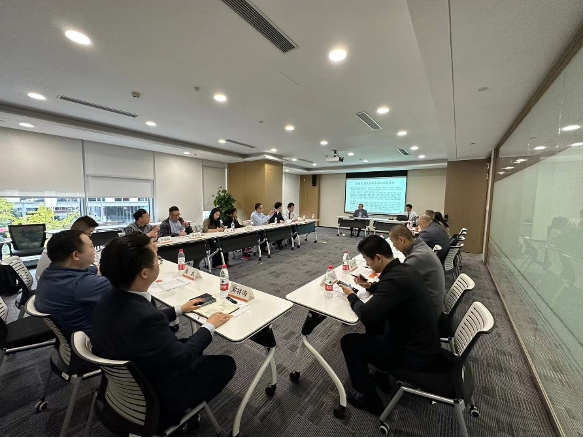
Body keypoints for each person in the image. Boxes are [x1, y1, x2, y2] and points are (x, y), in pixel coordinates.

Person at [91, 233, 236, 431]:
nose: (158, 261)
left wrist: (179, 309)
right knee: (226, 364)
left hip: (127, 380)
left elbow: (141, 319)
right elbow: (182, 357)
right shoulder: (145, 318)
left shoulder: (109, 296)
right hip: (157, 396)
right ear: (144, 273)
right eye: (156, 259)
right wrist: (209, 325)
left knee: (190, 343)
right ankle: (185, 412)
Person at [337, 235, 440, 415]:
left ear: (378, 257)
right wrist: (370, 286)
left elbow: (366, 315)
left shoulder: (394, 279)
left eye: (367, 260)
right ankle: (381, 373)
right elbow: (393, 292)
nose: (367, 264)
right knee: (377, 325)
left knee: (349, 342)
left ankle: (370, 399)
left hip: (413, 353)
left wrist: (351, 296)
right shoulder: (403, 269)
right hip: (424, 341)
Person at [35, 230, 111, 339]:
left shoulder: (51, 272)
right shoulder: (81, 285)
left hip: (71, 333)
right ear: (75, 255)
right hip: (94, 339)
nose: (95, 250)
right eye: (91, 246)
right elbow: (128, 288)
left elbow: (97, 270)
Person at [389, 225, 445, 317]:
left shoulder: (417, 257)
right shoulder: (420, 246)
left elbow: (397, 283)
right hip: (432, 301)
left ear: (401, 240)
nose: (394, 247)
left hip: (429, 313)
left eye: (393, 242)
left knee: (386, 308)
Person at [36, 216, 99, 281]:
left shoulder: (63, 241)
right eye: (90, 232)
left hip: (46, 279)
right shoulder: (66, 246)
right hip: (55, 281)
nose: (90, 235)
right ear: (80, 231)